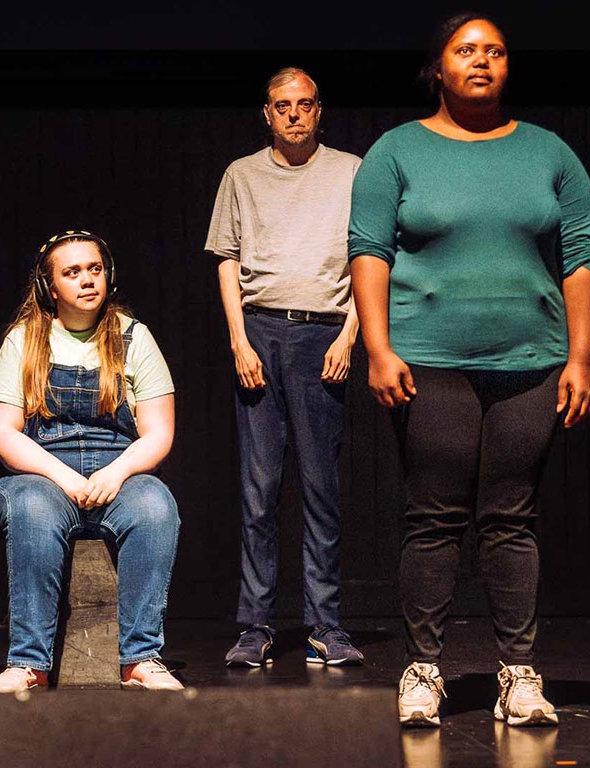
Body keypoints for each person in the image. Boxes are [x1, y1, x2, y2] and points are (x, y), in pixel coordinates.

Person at [348, 12, 590, 727]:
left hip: (531, 361)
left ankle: (519, 675)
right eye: (466, 50)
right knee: (433, 517)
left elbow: (582, 257)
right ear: (438, 67)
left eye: (495, 50)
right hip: (428, 361)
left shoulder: (550, 153)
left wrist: (580, 358)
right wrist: (378, 346)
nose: (483, 61)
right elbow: (369, 251)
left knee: (511, 518)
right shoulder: (395, 151)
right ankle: (422, 671)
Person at [204, 67, 365, 667]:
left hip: (324, 334)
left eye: (304, 104)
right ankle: (256, 625)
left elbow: (370, 259)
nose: (294, 114)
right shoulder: (241, 175)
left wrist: (351, 335)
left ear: (319, 109)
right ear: (266, 113)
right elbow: (226, 259)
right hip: (260, 333)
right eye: (282, 106)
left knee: (321, 488)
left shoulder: (352, 171)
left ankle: (326, 625)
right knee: (260, 489)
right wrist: (238, 340)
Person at [0, 230, 183, 693]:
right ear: (51, 288)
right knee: (32, 509)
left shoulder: (135, 337)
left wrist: (115, 472)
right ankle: (28, 663)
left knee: (155, 507)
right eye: (72, 272)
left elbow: (160, 432)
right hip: (39, 471)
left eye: (94, 269)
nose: (86, 280)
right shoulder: (24, 340)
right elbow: (2, 431)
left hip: (118, 469)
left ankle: (141, 659)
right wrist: (64, 477)